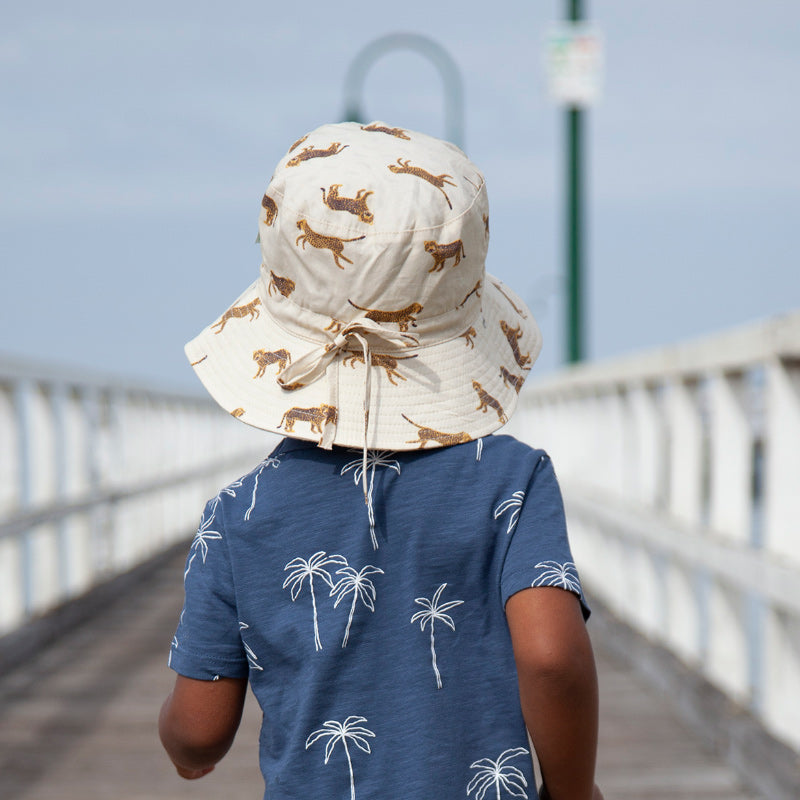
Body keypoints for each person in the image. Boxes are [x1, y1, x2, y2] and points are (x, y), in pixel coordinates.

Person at [159, 121, 604, 800]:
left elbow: (198, 734)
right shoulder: (513, 480)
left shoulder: (236, 517)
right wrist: (573, 792)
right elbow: (550, 658)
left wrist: (179, 742)